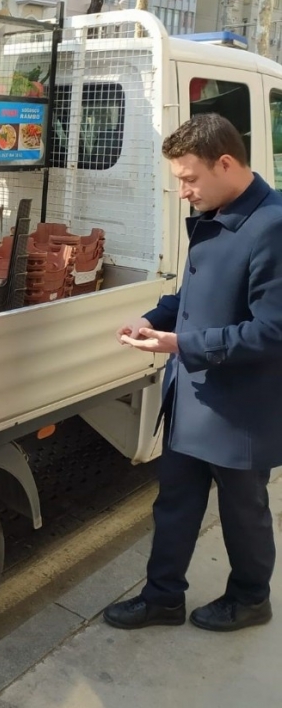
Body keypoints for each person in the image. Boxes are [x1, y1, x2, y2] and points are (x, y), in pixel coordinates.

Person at [104, 113, 282, 633]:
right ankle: (163, 597)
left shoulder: (271, 227)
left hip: (240, 407)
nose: (182, 191)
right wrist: (153, 319)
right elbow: (192, 297)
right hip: (191, 395)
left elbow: (271, 331)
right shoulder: (217, 213)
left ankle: (251, 597)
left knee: (243, 512)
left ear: (226, 164)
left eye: (189, 178)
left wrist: (181, 344)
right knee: (175, 501)